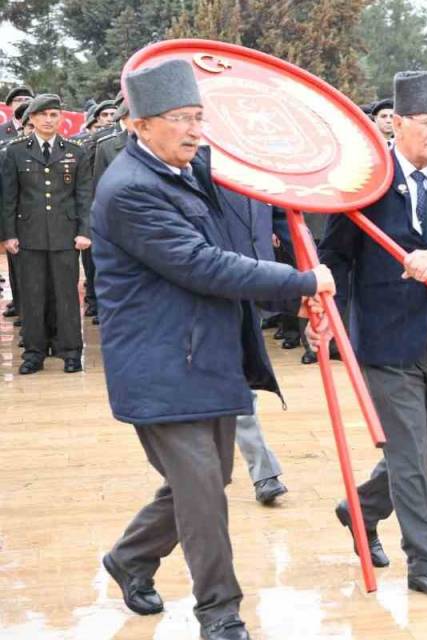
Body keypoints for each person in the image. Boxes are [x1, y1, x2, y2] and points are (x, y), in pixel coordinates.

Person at [94, 59, 333, 640]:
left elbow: (255, 170)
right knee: (203, 493)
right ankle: (219, 613)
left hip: (208, 353)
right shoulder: (130, 191)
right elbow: (201, 263)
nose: (195, 130)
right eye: (181, 119)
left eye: (200, 117)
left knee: (205, 480)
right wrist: (300, 281)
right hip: (159, 364)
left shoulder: (186, 168)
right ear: (140, 124)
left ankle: (130, 558)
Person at [320, 70, 427, 601]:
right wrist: (326, 314)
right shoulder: (366, 181)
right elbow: (337, 254)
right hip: (386, 337)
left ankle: (360, 507)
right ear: (400, 122)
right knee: (410, 453)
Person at [1, 94, 93, 374]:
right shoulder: (15, 152)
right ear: (31, 118)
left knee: (66, 294)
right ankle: (34, 352)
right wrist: (8, 234)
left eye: (54, 115)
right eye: (43, 115)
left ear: (60, 118)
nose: (48, 120)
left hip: (65, 235)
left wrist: (84, 230)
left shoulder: (75, 151)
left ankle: (71, 351)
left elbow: (84, 196)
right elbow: (8, 198)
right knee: (32, 295)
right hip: (28, 235)